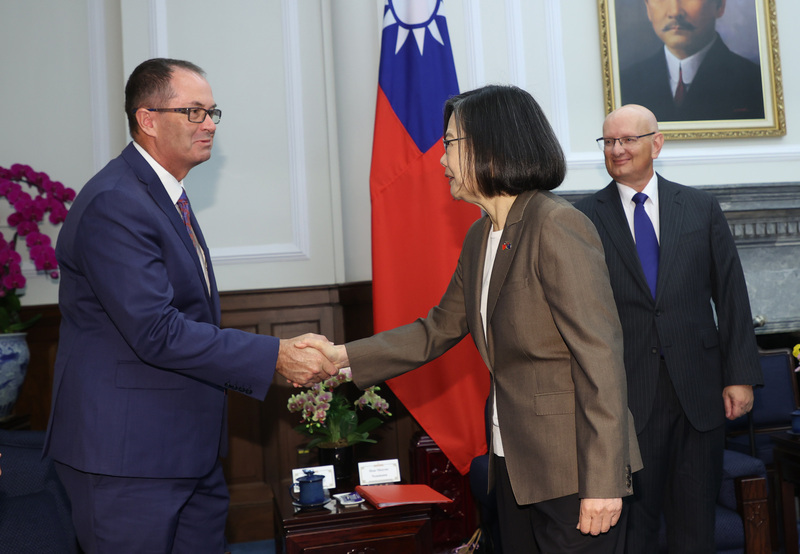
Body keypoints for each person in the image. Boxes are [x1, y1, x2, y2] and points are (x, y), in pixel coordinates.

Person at [302, 84, 642, 553]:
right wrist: (339, 357)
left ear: (492, 145)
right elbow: (436, 329)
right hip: (514, 466)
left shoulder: (557, 225)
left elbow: (600, 359)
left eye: (449, 144)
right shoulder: (481, 236)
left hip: (575, 473)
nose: (441, 160)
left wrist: (604, 481)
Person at [43, 58, 337, 553]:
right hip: (128, 459)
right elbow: (156, 330)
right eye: (194, 112)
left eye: (212, 112)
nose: (209, 125)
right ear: (148, 119)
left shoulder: (163, 196)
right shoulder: (116, 202)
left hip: (185, 452)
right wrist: (275, 356)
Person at [574, 104, 763, 553]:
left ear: (656, 143)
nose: (617, 150)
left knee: (695, 523)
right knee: (635, 529)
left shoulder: (699, 207)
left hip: (700, 395)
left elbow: (731, 295)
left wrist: (739, 376)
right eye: (609, 142)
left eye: (628, 140)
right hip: (626, 399)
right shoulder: (582, 219)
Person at [621, 0, 764, 121]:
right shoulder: (625, 83)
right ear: (648, 8)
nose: (675, 12)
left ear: (719, 6)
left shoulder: (756, 82)